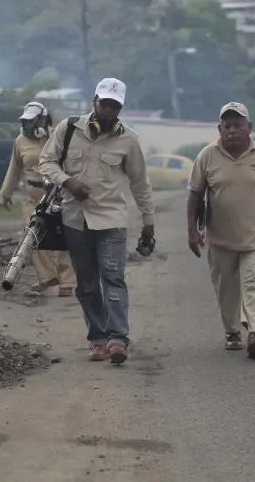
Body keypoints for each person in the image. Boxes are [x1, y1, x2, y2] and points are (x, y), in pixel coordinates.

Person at [38, 78, 155, 365]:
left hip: (112, 220)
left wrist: (148, 221)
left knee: (113, 279)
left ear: (120, 109)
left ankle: (118, 339)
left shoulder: (129, 139)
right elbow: (46, 162)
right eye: (104, 103)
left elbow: (141, 183)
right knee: (87, 284)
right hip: (75, 220)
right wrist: (68, 182)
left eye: (114, 106)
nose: (108, 110)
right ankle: (98, 338)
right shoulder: (68, 129)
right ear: (94, 101)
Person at [186, 101, 255, 360]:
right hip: (220, 239)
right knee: (226, 289)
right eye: (227, 126)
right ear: (219, 128)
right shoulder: (207, 156)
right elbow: (195, 195)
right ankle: (233, 331)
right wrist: (192, 230)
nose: (232, 130)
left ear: (249, 127)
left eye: (238, 125)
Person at [0, 101, 77, 297]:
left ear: (42, 119)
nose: (27, 125)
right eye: (25, 121)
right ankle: (47, 278)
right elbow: (14, 168)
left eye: (32, 121)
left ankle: (67, 282)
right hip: (33, 194)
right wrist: (6, 192)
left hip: (56, 194)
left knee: (62, 237)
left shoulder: (57, 137)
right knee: (31, 233)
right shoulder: (20, 141)